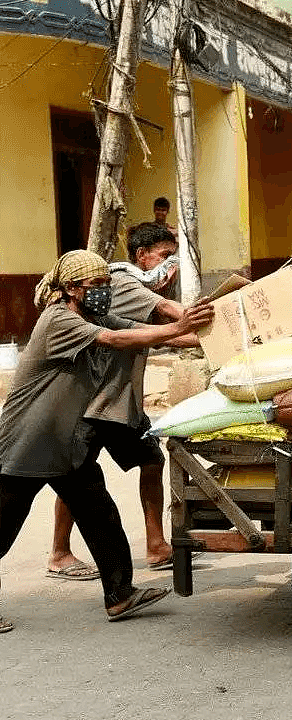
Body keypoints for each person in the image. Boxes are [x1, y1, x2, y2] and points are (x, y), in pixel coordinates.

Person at [0, 250, 213, 632]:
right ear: (71, 289)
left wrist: (211, 336)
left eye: (106, 284)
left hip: (65, 444)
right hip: (27, 443)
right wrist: (178, 329)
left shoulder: (93, 315)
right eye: (95, 285)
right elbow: (115, 338)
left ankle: (120, 595)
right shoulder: (58, 320)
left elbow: (137, 334)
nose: (103, 291)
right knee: (3, 526)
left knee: (100, 515)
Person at [47, 224, 188, 579]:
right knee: (75, 478)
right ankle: (59, 552)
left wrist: (211, 342)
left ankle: (156, 545)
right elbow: (170, 316)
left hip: (122, 401)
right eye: (164, 256)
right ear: (142, 256)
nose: (169, 266)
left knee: (151, 460)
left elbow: (157, 334)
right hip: (95, 402)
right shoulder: (123, 283)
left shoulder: (125, 290)